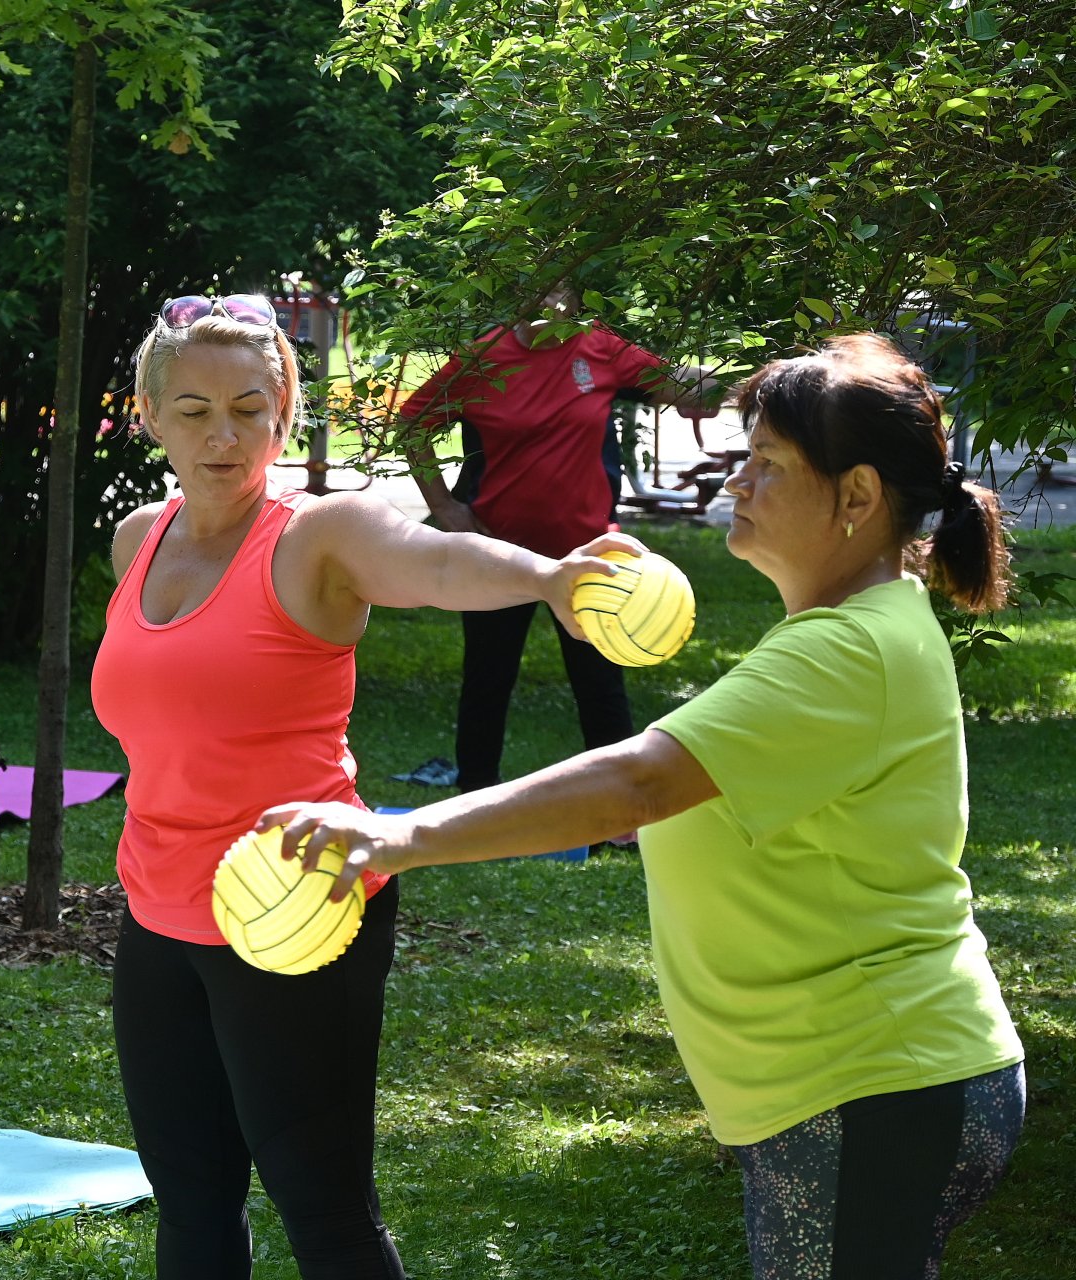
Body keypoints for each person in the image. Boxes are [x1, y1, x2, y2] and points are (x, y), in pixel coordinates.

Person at [264, 334, 1026, 1280]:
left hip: (873, 1080)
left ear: (858, 497)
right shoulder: (859, 630)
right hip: (861, 1080)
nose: (739, 481)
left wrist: (398, 835)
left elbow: (639, 782)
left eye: (770, 464)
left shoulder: (847, 650)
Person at [90, 293, 633, 1278]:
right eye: (196, 411)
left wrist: (549, 577)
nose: (224, 437)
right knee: (191, 1206)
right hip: (157, 914)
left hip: (300, 901)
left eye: (249, 410)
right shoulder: (138, 540)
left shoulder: (319, 537)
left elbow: (435, 561)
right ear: (150, 414)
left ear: (284, 411)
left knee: (326, 1214)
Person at [398, 283, 716, 793]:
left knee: (601, 685)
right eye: (538, 290)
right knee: (487, 680)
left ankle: (618, 808)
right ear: (518, 295)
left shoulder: (600, 346)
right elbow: (413, 421)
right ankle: (475, 800)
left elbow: (685, 387)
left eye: (561, 290)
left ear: (577, 297)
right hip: (498, 554)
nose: (550, 303)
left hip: (589, 557)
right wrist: (444, 507)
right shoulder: (482, 359)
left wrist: (749, 375)